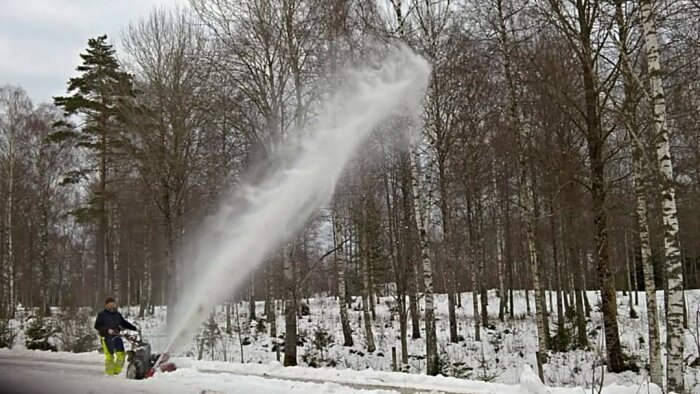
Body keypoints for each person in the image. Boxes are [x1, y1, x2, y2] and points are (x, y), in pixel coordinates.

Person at [94, 297, 138, 375]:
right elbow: (97, 326)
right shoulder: (102, 315)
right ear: (106, 305)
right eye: (110, 305)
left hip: (116, 336)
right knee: (110, 355)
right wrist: (107, 330)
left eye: (113, 304)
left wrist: (134, 328)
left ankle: (116, 372)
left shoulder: (117, 314)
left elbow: (124, 323)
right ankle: (109, 373)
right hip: (106, 337)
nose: (111, 306)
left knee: (121, 354)